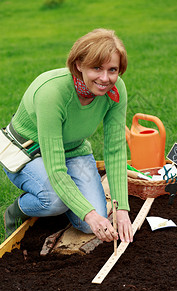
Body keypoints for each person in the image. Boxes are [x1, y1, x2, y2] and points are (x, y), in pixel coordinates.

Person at [3, 28, 133, 243]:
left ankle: (66, 203)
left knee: (90, 225)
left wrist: (121, 209)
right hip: (28, 152)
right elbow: (55, 167)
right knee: (55, 201)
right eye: (96, 68)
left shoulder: (116, 89)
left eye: (113, 69)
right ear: (79, 64)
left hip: (72, 149)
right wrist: (88, 213)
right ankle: (17, 211)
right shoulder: (52, 93)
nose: (105, 78)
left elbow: (115, 150)